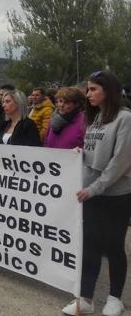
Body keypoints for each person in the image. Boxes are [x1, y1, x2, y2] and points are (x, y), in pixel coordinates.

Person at [62, 71, 131, 316]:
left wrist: (94, 188)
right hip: (91, 194)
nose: (87, 94)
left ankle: (115, 298)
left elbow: (120, 162)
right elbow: (94, 157)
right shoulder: (94, 119)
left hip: (116, 196)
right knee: (89, 245)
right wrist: (80, 155)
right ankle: (86, 299)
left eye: (92, 89)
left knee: (113, 246)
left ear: (108, 90)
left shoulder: (125, 118)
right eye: (88, 89)